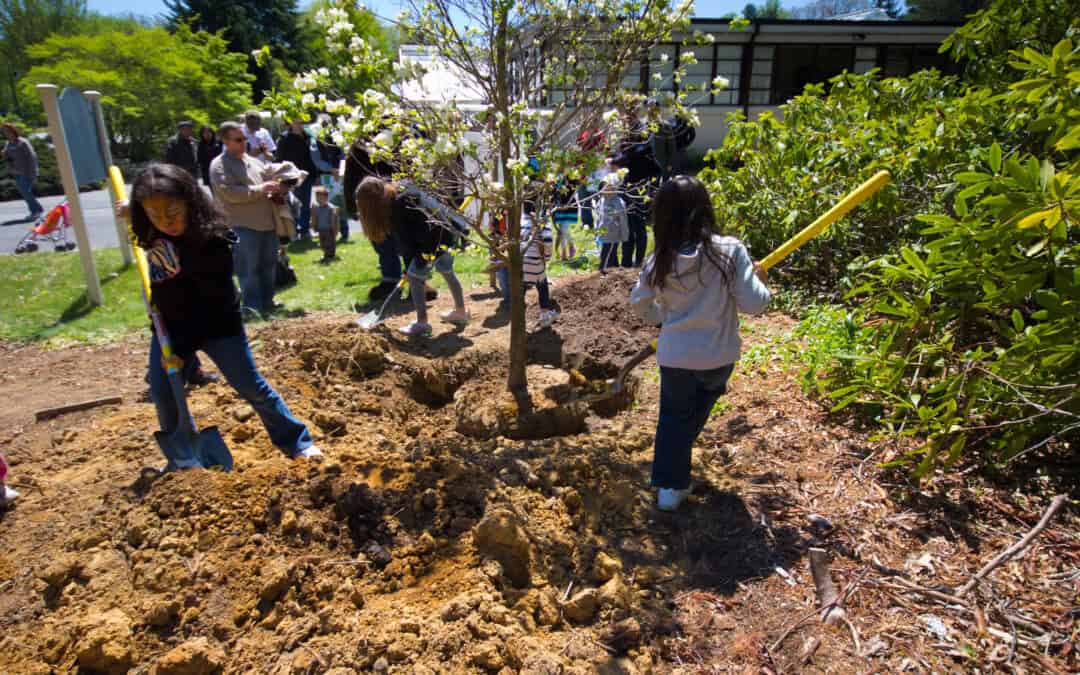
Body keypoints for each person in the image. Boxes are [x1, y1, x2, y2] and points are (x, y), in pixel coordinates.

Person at [126, 163, 321, 463]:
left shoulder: (213, 240)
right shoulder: (151, 231)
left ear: (189, 201)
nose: (165, 221)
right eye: (154, 213)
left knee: (249, 386)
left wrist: (180, 349)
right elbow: (165, 288)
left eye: (172, 211)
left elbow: (210, 302)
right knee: (163, 390)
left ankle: (297, 441)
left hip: (217, 324)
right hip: (169, 324)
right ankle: (184, 455)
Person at [629, 176, 770, 512]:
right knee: (691, 415)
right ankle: (673, 474)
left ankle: (669, 485)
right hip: (719, 356)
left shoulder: (659, 259)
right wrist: (761, 283)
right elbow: (754, 304)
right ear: (705, 209)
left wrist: (661, 314)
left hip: (676, 356)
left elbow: (639, 303)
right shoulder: (730, 251)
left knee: (675, 418)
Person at [354, 176, 469, 336]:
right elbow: (411, 241)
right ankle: (461, 311)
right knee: (446, 271)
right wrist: (411, 265)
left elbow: (411, 242)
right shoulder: (398, 197)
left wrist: (415, 265)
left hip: (432, 242)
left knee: (416, 278)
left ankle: (422, 323)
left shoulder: (398, 207)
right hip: (445, 236)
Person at [209, 121, 283, 316]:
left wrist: (284, 178)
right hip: (243, 225)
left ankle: (268, 301)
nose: (244, 143)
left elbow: (269, 174)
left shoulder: (252, 160)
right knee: (249, 269)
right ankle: (252, 307)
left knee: (268, 265)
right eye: (239, 140)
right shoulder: (219, 165)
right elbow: (230, 193)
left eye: (245, 139)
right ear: (225, 141)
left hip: (267, 223)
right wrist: (262, 189)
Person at [609, 108, 662, 268]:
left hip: (638, 189)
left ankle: (637, 261)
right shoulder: (629, 141)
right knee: (627, 226)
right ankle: (626, 261)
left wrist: (613, 160)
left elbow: (630, 157)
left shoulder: (641, 144)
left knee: (637, 226)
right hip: (627, 188)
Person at [274, 120, 323, 238]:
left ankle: (304, 229)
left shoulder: (309, 137)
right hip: (291, 176)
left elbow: (315, 157)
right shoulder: (284, 138)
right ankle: (293, 230)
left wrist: (317, 174)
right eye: (297, 122)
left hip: (308, 174)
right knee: (292, 204)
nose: (300, 124)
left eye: (302, 122)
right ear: (291, 123)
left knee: (305, 203)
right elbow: (279, 158)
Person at [520, 203, 558, 327]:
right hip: (536, 264)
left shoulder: (521, 220)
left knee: (522, 288)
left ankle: (518, 317)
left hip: (521, 264)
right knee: (542, 286)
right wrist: (546, 258)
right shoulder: (543, 224)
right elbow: (547, 243)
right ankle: (545, 314)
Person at [2, 122, 43, 219]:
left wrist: (34, 172)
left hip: (27, 172)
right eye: (4, 131)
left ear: (13, 130)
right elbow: (8, 157)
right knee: (24, 192)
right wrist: (4, 154)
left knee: (26, 192)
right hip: (16, 172)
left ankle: (36, 210)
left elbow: (32, 157)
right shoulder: (8, 144)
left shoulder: (22, 142)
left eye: (8, 131)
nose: (6, 133)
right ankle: (36, 210)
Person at [593, 174, 628, 272]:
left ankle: (602, 271)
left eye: (610, 188)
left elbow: (623, 220)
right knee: (612, 255)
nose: (606, 190)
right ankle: (616, 270)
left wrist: (624, 235)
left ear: (615, 188)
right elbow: (598, 217)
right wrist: (596, 231)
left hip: (613, 234)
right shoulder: (601, 201)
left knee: (606, 255)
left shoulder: (618, 203)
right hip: (603, 234)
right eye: (604, 187)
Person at [311, 185, 339, 262]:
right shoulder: (317, 207)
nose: (318, 200)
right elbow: (315, 218)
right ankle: (326, 253)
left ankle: (330, 255)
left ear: (326, 198)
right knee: (322, 243)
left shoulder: (331, 208)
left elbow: (334, 219)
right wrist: (314, 226)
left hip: (329, 229)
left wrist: (335, 229)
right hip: (321, 229)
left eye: (320, 198)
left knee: (330, 242)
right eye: (317, 198)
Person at [196, 126, 222, 190]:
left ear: (212, 133)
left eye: (209, 132)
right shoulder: (200, 144)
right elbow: (199, 158)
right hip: (207, 170)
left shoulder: (219, 142)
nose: (207, 134)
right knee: (212, 189)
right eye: (204, 133)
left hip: (219, 170)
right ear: (202, 134)